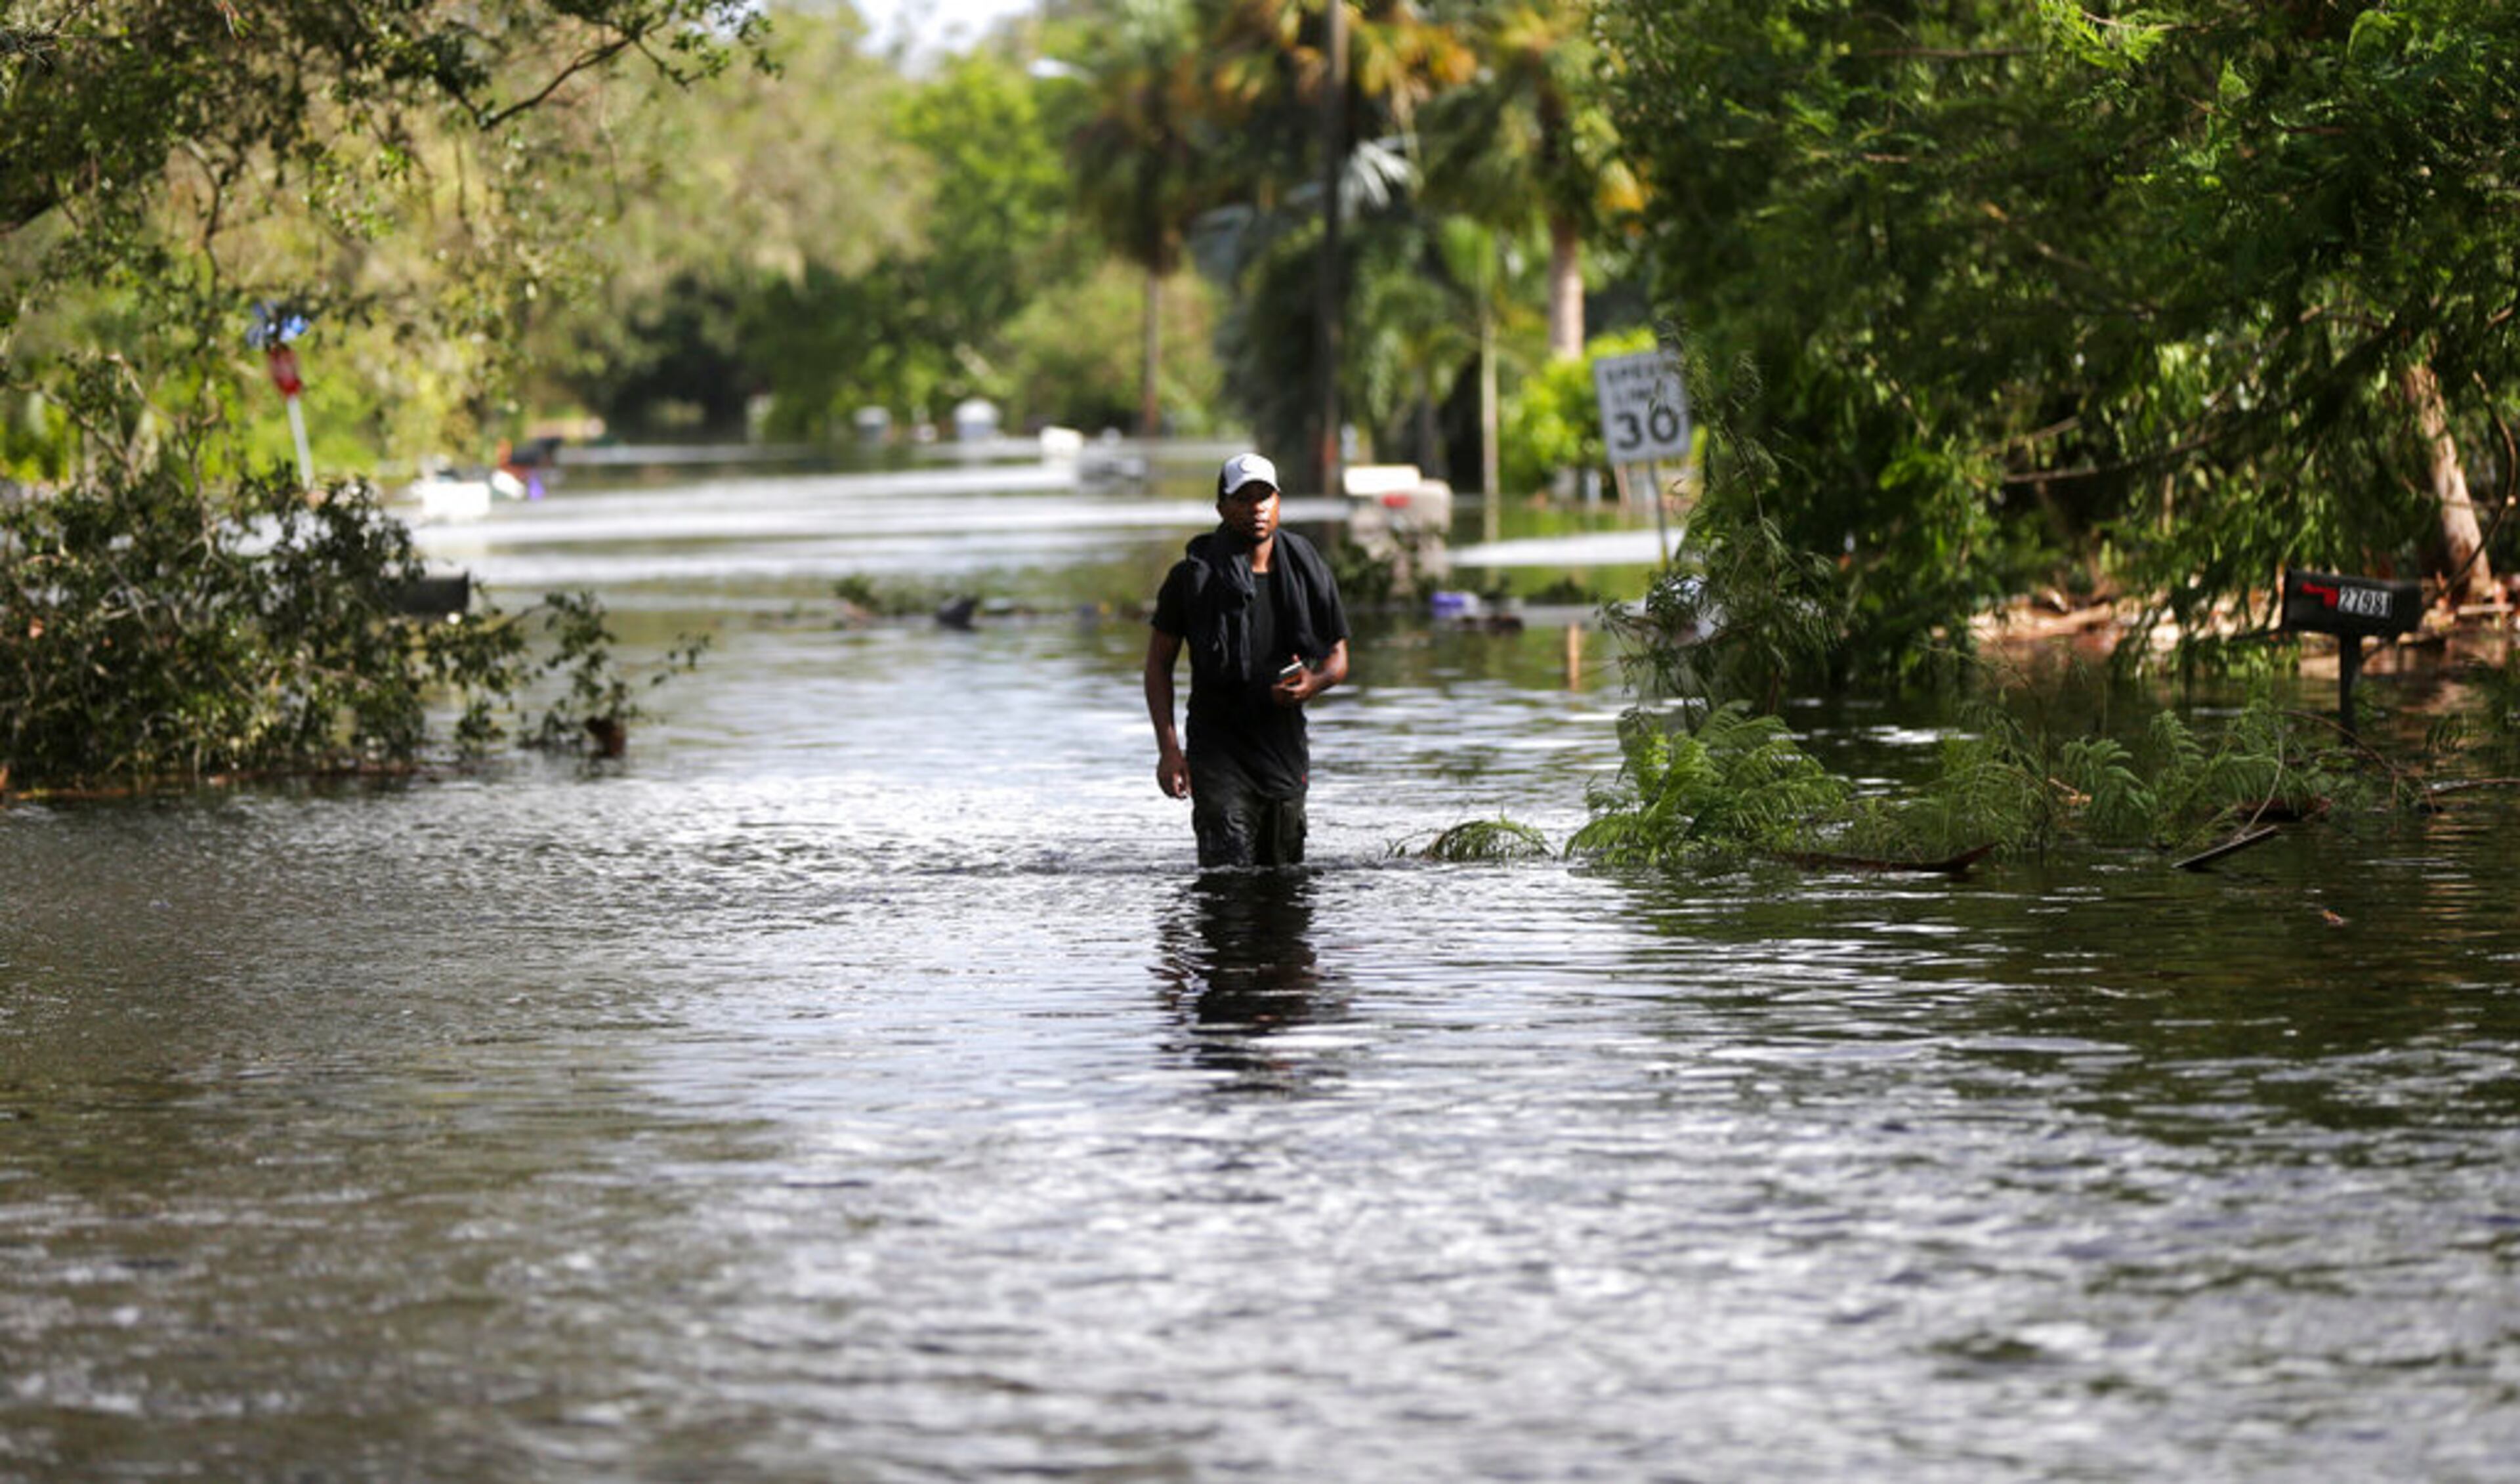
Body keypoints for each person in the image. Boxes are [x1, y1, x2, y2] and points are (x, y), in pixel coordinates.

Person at [1145, 452, 1351, 868]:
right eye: (1243, 498)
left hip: (1283, 751)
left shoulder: (1307, 569)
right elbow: (1158, 666)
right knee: (1228, 879)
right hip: (1217, 751)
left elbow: (1338, 657)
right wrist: (1169, 751)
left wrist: (1314, 683)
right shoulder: (1192, 579)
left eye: (1265, 496)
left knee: (1284, 881)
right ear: (1222, 507)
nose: (1256, 508)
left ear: (1278, 503)